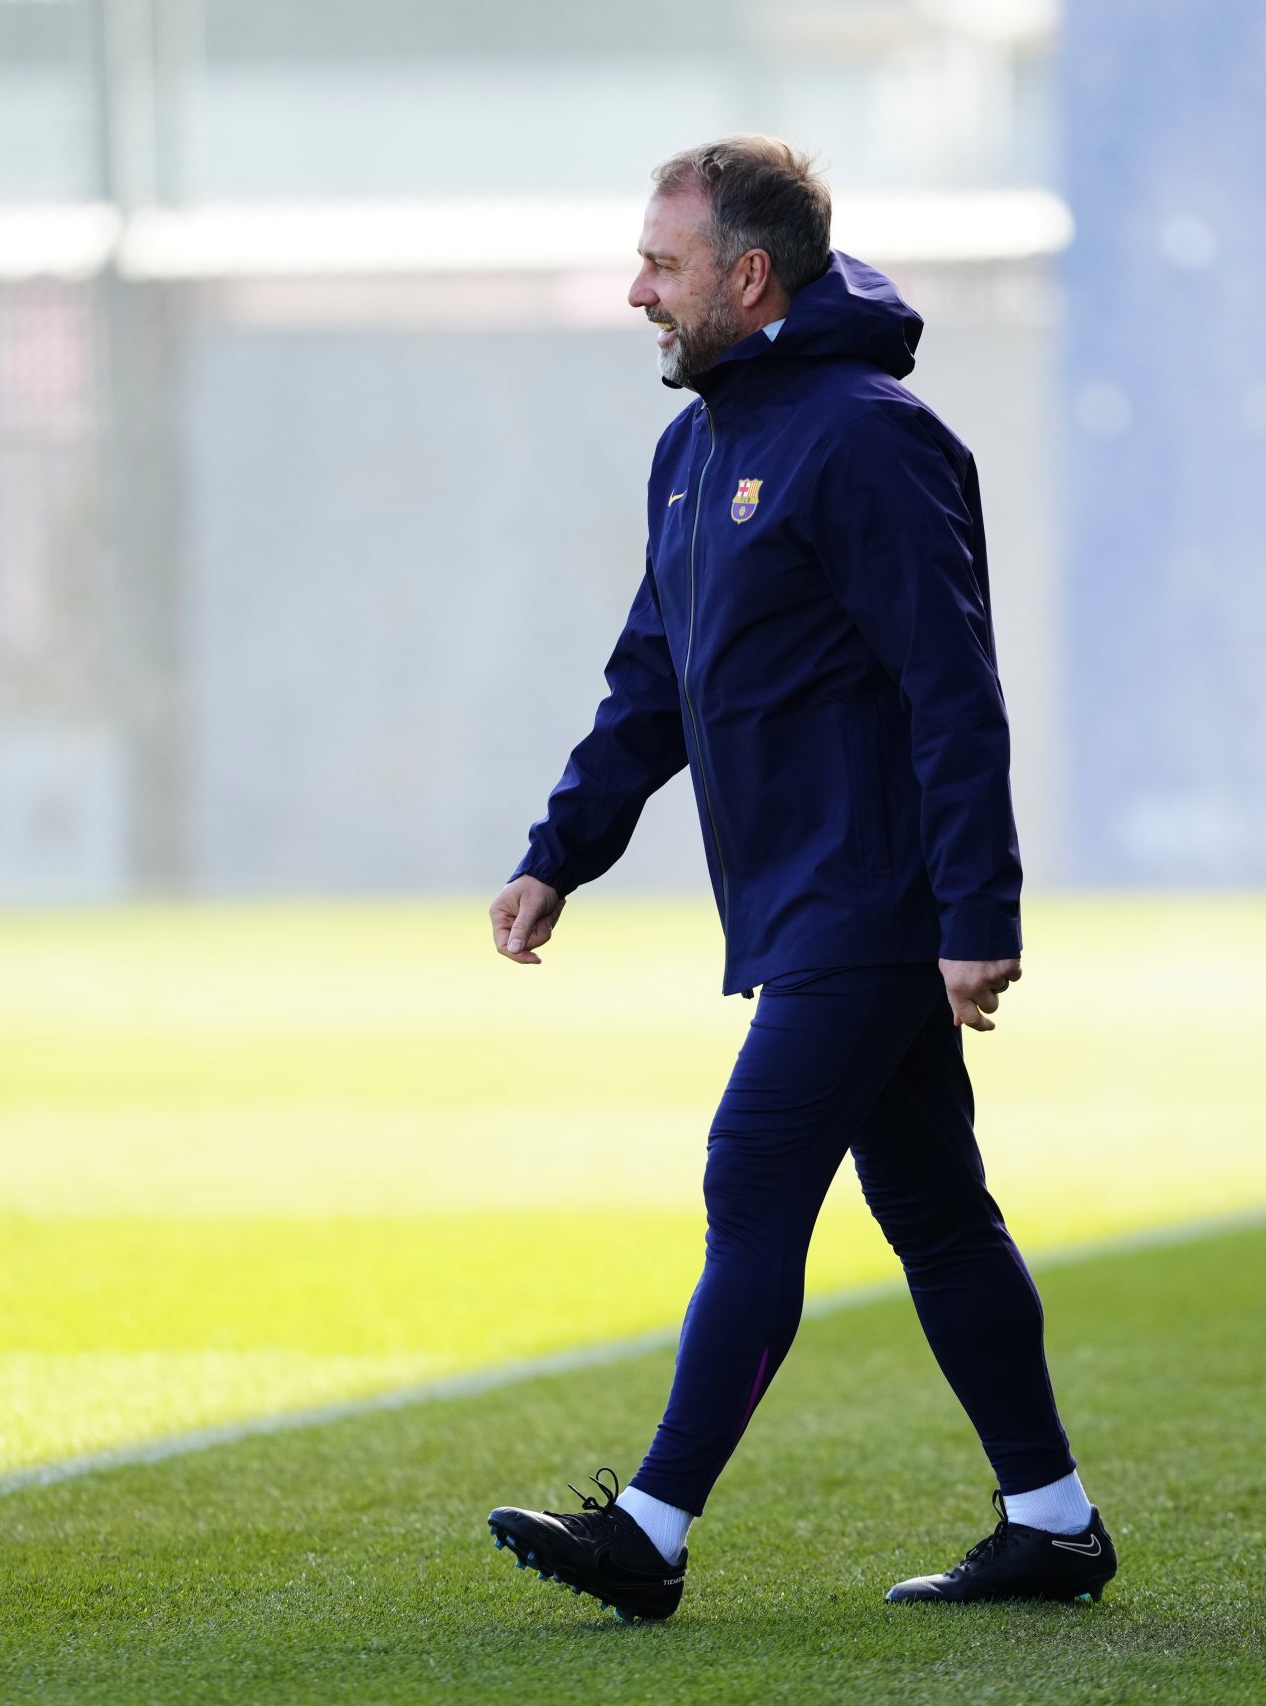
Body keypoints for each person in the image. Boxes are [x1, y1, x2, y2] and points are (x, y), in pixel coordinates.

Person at [482, 136, 1115, 1623]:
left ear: (750, 276)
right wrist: (561, 850)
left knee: (753, 1172)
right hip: (805, 904)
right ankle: (1054, 1521)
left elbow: (953, 686)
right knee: (937, 1210)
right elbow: (655, 680)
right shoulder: (695, 449)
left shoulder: (868, 439)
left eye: (664, 263)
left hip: (873, 901)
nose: (639, 290)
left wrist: (978, 913)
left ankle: (649, 1530)